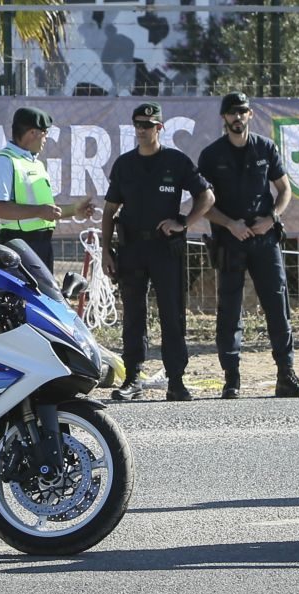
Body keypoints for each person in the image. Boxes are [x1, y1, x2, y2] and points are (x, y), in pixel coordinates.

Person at [101, 102, 215, 402]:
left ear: (159, 128)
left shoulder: (175, 161)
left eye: (148, 125)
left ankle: (176, 380)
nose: (142, 130)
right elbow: (110, 210)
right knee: (134, 315)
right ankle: (133, 378)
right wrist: (106, 250)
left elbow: (206, 196)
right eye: (138, 125)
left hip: (165, 249)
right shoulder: (125, 164)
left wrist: (184, 222)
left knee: (172, 314)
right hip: (131, 249)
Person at [197, 92, 299, 399]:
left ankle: (286, 374)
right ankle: (231, 378)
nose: (237, 117)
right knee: (230, 310)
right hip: (230, 241)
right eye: (232, 113)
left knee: (277, 305)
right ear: (223, 118)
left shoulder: (265, 147)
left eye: (243, 112)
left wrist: (271, 218)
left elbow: (284, 189)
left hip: (264, 239)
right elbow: (203, 203)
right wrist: (230, 224)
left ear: (250, 115)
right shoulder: (211, 155)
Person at [0, 106, 94, 273]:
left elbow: (45, 212)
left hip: (42, 247)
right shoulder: (4, 161)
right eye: (45, 133)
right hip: (20, 247)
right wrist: (39, 211)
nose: (46, 139)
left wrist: (74, 209)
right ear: (32, 133)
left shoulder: (36, 164)